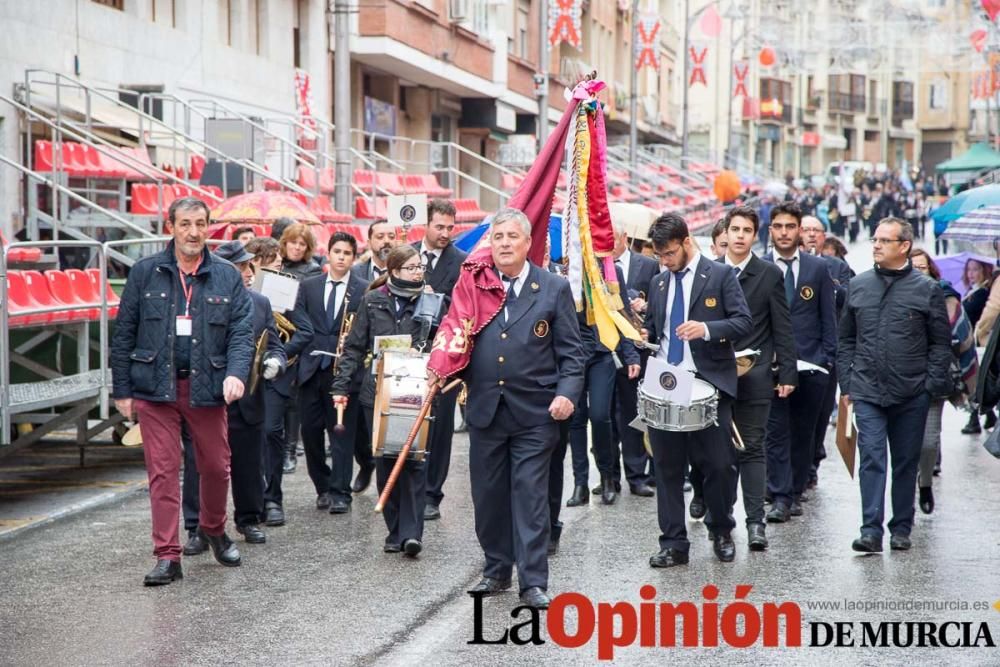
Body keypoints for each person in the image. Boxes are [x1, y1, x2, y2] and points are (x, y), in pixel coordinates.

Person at [110, 197, 253, 586]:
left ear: (210, 228)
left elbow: (242, 332)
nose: (194, 232)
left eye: (201, 224)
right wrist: (122, 389)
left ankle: (213, 527)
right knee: (163, 472)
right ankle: (167, 556)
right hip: (156, 388)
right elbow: (123, 334)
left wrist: (237, 373)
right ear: (170, 226)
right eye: (186, 224)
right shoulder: (144, 272)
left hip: (208, 386)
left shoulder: (226, 275)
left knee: (214, 466)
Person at [446, 208, 584, 609]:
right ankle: (496, 569)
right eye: (497, 237)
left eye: (511, 237)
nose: (504, 243)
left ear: (527, 243)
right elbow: (454, 336)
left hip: (535, 413)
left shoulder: (553, 288)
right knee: (488, 496)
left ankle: (533, 580)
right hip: (486, 410)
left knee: (530, 495)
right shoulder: (474, 286)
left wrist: (566, 394)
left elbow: (572, 355)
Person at [641, 212, 752, 567]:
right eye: (659, 256)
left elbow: (742, 321)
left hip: (708, 383)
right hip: (666, 383)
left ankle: (721, 528)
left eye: (670, 254)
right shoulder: (660, 282)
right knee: (666, 467)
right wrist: (642, 335)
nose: (665, 261)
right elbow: (654, 328)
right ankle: (673, 542)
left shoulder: (719, 275)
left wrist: (705, 329)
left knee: (719, 465)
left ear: (687, 242)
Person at [838, 218, 952, 552]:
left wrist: (930, 385)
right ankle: (870, 530)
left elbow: (939, 344)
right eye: (875, 239)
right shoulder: (858, 286)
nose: (876, 245)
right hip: (868, 390)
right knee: (872, 457)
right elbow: (845, 339)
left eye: (885, 240)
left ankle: (901, 526)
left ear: (903, 246)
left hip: (912, 392)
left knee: (905, 460)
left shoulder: (927, 289)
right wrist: (847, 382)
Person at [180, 241, 286, 550]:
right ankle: (196, 528)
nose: (248, 272)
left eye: (247, 265)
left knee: (249, 463)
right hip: (206, 397)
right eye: (240, 267)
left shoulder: (260, 303)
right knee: (198, 464)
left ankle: (248, 519)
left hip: (248, 398)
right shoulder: (196, 300)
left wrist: (274, 362)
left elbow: (274, 343)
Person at [332, 245, 432, 556]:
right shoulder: (373, 300)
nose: (417, 272)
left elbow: (443, 341)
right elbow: (354, 346)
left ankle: (413, 533)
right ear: (394, 271)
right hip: (377, 394)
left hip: (418, 393)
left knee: (414, 461)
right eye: (411, 267)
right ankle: (395, 531)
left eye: (419, 266)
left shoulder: (432, 301)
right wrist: (341, 385)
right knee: (386, 461)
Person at [722, 206, 798, 551]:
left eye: (746, 230)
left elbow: (783, 326)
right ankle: (720, 521)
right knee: (716, 454)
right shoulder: (710, 272)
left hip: (754, 375)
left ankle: (756, 524)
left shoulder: (768, 274)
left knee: (752, 449)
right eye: (734, 229)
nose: (739, 236)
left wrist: (787, 371)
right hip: (713, 377)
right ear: (725, 233)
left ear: (755, 236)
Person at [762, 203, 837, 522]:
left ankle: (793, 491)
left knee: (804, 433)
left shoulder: (817, 269)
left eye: (789, 226)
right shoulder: (760, 267)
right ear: (770, 231)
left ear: (800, 230)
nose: (783, 232)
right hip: (772, 366)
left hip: (811, 364)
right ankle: (779, 495)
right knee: (776, 432)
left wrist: (827, 360)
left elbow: (827, 318)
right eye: (777, 226)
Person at [297, 232, 368, 514]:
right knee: (311, 432)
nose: (341, 257)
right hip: (312, 368)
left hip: (344, 371)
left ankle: (341, 492)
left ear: (353, 257)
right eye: (337, 251)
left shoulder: (363, 289)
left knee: (342, 434)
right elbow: (301, 321)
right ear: (328, 254)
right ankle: (322, 486)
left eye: (347, 253)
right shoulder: (309, 286)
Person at [565, 264, 640, 507]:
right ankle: (580, 483)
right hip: (571, 355)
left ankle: (608, 476)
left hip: (602, 352)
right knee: (575, 418)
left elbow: (622, 313)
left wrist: (631, 356)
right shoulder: (562, 269)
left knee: (600, 415)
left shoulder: (610, 270)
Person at [909, 249, 977, 515]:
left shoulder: (945, 298)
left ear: (931, 270)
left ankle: (924, 483)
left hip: (934, 379)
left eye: (922, 267)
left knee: (927, 440)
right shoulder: (894, 293)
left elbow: (960, 334)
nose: (917, 271)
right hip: (901, 379)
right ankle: (904, 494)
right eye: (912, 266)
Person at [414, 199, 468, 521]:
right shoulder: (407, 254)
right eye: (440, 227)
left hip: (445, 353)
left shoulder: (461, 262)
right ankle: (410, 487)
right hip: (409, 351)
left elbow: (464, 307)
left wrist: (436, 296)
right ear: (426, 224)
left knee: (441, 425)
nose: (446, 233)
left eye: (450, 227)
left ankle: (433, 492)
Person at [608, 219, 659, 497]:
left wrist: (645, 316)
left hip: (637, 349)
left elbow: (657, 304)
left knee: (633, 414)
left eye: (611, 237)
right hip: (608, 350)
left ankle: (636, 474)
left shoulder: (647, 265)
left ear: (624, 237)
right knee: (604, 416)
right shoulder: (596, 268)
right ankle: (609, 476)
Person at [801, 215, 852, 486]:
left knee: (819, 413)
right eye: (806, 230)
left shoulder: (837, 266)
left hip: (826, 350)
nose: (810, 235)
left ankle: (811, 462)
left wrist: (830, 283)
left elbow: (849, 299)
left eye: (815, 231)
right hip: (795, 348)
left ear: (824, 236)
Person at [961, 259, 995, 434]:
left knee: (976, 382)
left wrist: (977, 332)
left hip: (982, 344)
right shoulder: (973, 291)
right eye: (969, 270)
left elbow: (983, 316)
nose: (971, 274)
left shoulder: (983, 293)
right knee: (978, 382)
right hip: (975, 343)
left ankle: (975, 418)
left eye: (975, 269)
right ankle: (988, 415)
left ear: (985, 270)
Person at [352, 219, 397, 284]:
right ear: (369, 243)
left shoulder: (404, 271)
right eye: (380, 237)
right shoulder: (355, 273)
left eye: (391, 237)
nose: (387, 241)